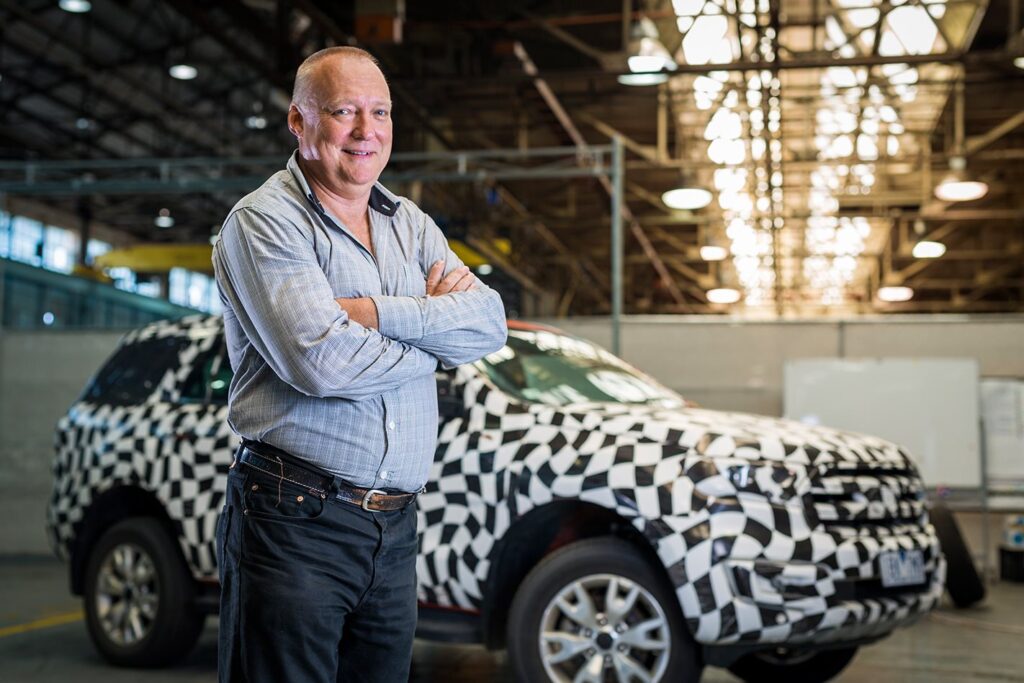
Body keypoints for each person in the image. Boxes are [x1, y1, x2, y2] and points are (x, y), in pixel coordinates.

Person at [212, 46, 507, 683]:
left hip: (394, 528)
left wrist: (372, 313)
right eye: (344, 111)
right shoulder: (265, 223)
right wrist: (434, 337)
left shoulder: (410, 224)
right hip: (293, 521)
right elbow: (322, 362)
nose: (366, 130)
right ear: (298, 120)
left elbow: (489, 324)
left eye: (380, 111)